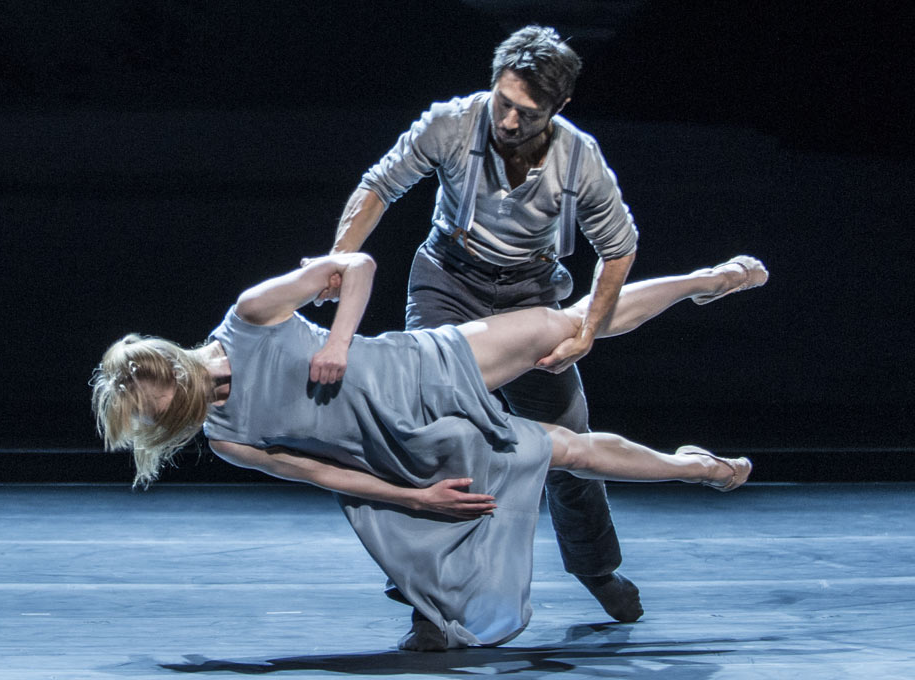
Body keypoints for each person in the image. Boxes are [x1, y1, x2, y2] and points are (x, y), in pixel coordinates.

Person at [92, 252, 766, 650]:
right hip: (413, 449)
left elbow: (355, 264)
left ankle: (699, 281)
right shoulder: (227, 435)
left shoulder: (250, 317)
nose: (171, 423)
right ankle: (695, 467)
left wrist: (336, 341)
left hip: (423, 368)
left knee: (565, 327)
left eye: (160, 409)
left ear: (170, 371)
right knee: (565, 450)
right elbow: (325, 473)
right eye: (158, 422)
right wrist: (415, 497)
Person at [328, 25, 648, 622]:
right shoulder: (452, 123)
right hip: (449, 283)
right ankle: (430, 601)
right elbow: (379, 187)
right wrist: (338, 259)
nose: (506, 121)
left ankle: (596, 568)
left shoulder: (579, 159)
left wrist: (586, 330)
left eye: (526, 113)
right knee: (427, 432)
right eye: (502, 102)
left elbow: (620, 248)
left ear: (558, 109)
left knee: (571, 444)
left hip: (530, 293)